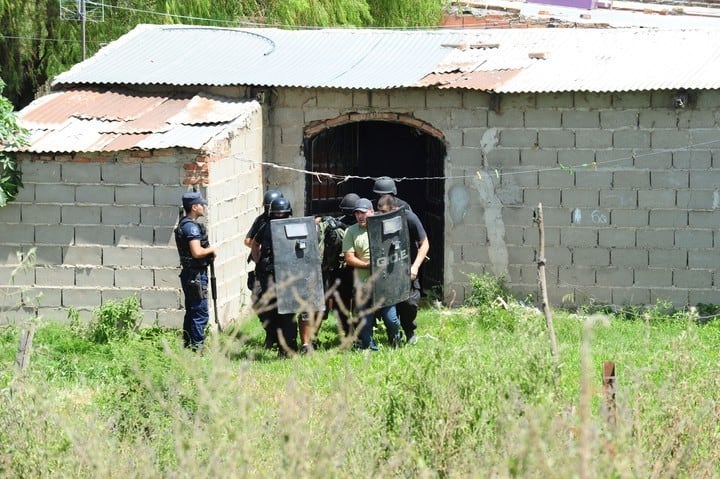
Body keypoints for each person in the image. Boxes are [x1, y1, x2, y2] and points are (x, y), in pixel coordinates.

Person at [341, 197, 401, 350]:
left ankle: (395, 340)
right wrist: (368, 265)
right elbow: (349, 258)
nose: (360, 216)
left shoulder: (383, 226)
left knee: (391, 319)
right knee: (364, 324)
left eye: (363, 212)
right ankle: (370, 348)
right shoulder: (351, 231)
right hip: (363, 285)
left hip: (384, 282)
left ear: (371, 212)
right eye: (357, 213)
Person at [377, 194, 429, 345]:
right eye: (379, 212)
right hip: (386, 270)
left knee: (409, 304)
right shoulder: (377, 221)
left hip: (407, 269)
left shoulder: (409, 218)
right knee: (388, 305)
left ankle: (409, 331)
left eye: (385, 212)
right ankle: (392, 334)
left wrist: (415, 266)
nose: (382, 216)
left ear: (393, 209)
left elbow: (424, 243)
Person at [251, 196, 299, 356]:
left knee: (287, 313)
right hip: (270, 275)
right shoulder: (266, 226)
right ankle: (280, 344)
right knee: (275, 311)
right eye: (277, 215)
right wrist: (259, 261)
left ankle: (288, 348)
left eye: (282, 215)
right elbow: (254, 243)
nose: (279, 218)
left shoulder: (293, 227)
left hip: (285, 275)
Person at [174, 191, 217, 351]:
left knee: (191, 312)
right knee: (199, 313)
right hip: (196, 275)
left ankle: (188, 346)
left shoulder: (184, 224)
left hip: (190, 274)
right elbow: (197, 252)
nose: (204, 207)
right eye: (201, 204)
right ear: (194, 207)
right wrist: (211, 250)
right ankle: (197, 348)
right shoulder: (191, 228)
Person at [317, 192, 358, 339]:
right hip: (341, 270)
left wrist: (341, 224)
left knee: (357, 305)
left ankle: (358, 335)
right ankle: (348, 334)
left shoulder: (363, 224)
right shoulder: (337, 223)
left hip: (358, 269)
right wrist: (325, 220)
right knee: (342, 305)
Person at [245, 189, 283, 348]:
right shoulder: (261, 220)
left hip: (281, 270)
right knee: (258, 300)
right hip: (263, 270)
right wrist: (259, 255)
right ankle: (270, 333)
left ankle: (281, 336)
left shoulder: (285, 218)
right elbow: (248, 240)